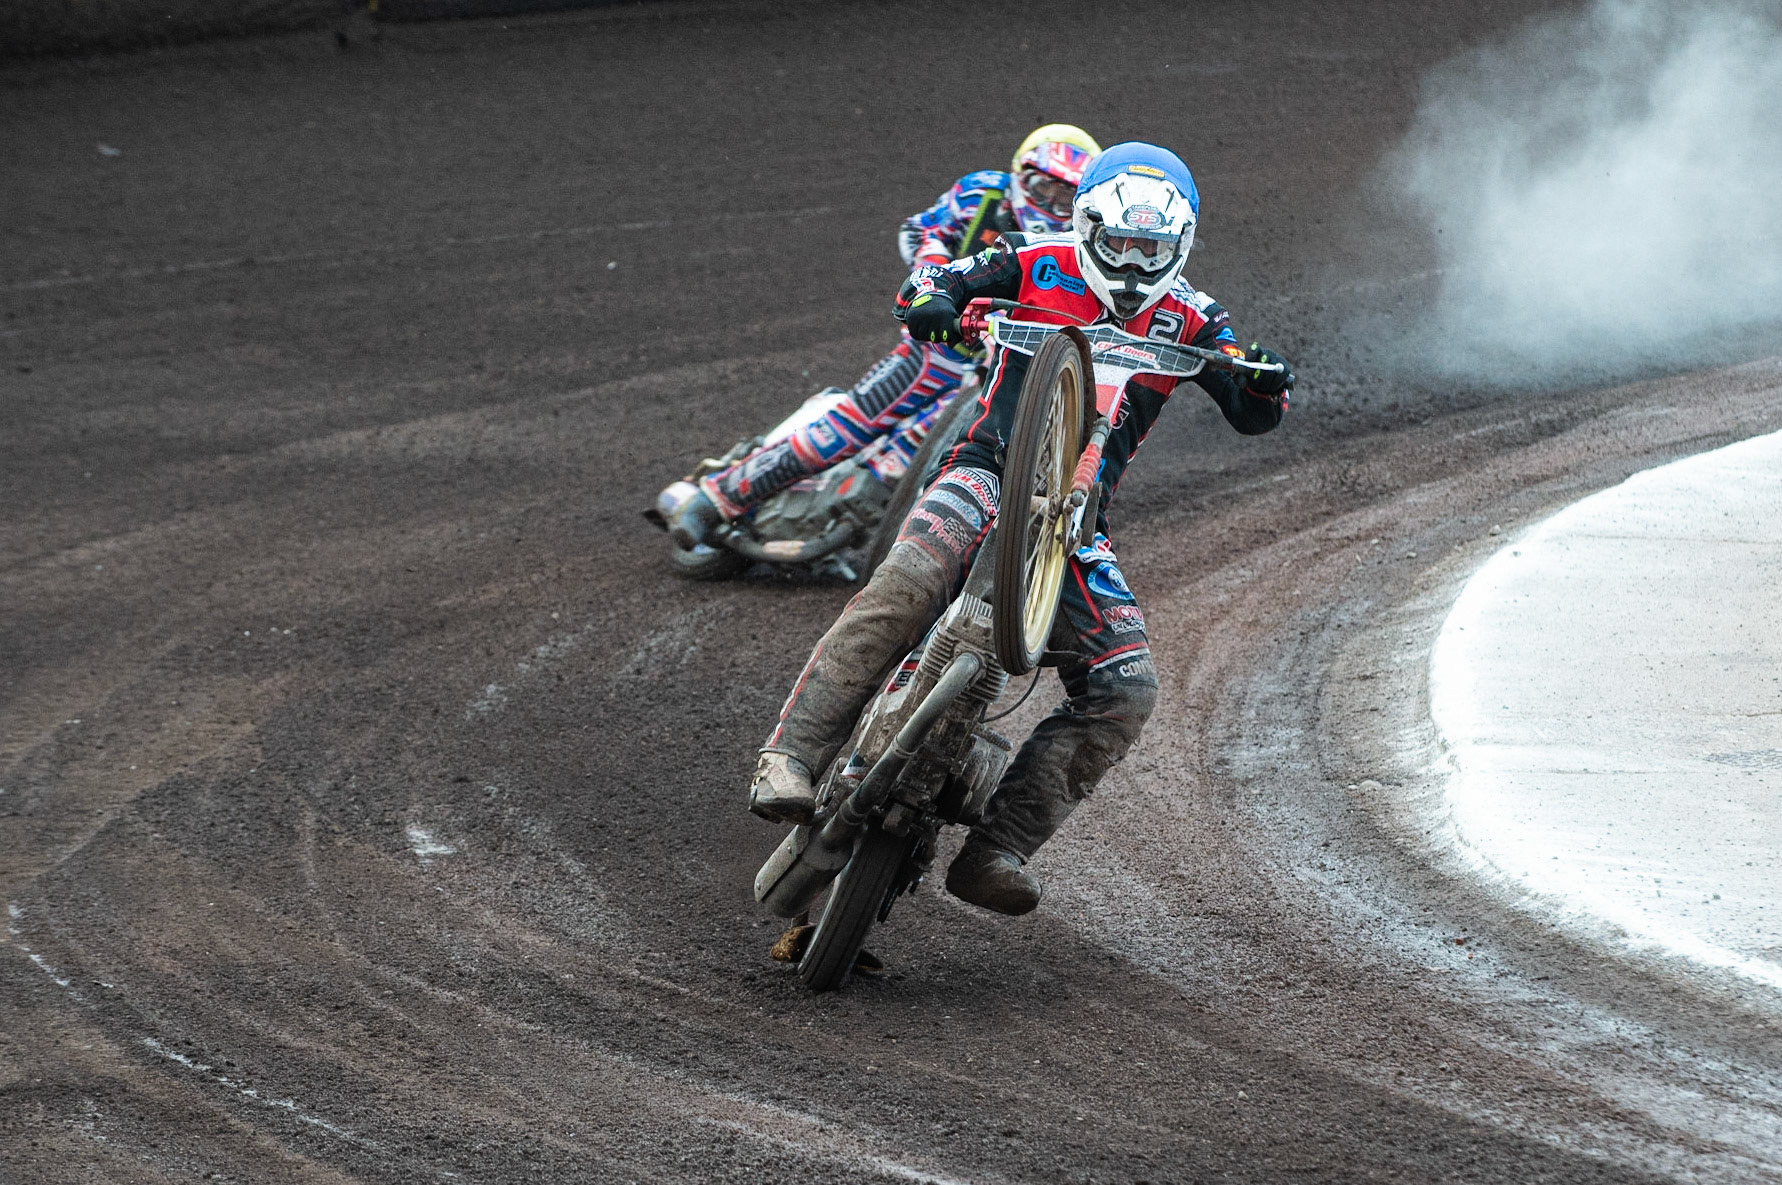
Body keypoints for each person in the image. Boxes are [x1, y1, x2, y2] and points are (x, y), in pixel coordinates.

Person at [746, 142, 1295, 915]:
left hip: (1075, 525)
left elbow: (1250, 403)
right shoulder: (1033, 260)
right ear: (1087, 226)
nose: (1135, 263)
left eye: (1153, 249)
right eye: (1122, 243)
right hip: (982, 473)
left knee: (1127, 689)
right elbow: (933, 282)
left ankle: (998, 848)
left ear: (1182, 246)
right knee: (908, 577)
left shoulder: (1197, 319)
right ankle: (791, 755)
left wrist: (1266, 380)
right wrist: (930, 302)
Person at [660, 125, 1102, 549]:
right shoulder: (980, 193)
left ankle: (895, 535)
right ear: (1018, 176)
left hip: (1003, 370)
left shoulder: (1082, 247)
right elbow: (918, 230)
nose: (1051, 202)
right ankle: (715, 500)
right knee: (852, 423)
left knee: (955, 459)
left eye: (1065, 194)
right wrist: (938, 279)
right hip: (938, 345)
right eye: (1043, 187)